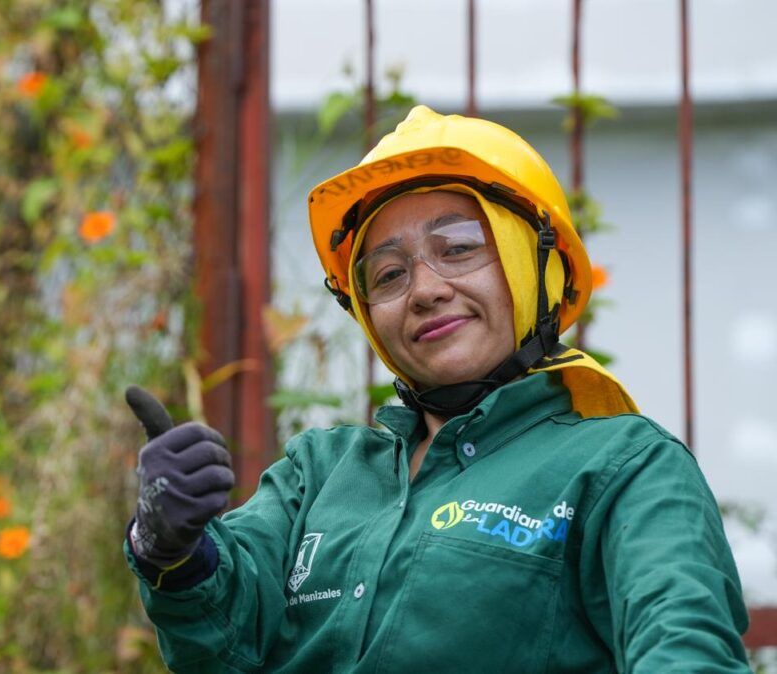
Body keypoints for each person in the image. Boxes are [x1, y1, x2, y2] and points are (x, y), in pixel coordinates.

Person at [123, 106, 751, 672]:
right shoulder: (317, 474)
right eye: (389, 273)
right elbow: (225, 639)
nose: (424, 289)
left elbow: (685, 649)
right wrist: (171, 548)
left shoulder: (625, 469)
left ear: (536, 262)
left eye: (458, 248)